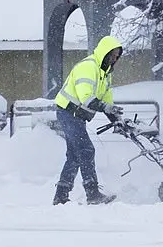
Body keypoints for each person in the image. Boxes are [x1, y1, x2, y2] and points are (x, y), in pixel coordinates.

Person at [52, 35, 125, 205]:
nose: (114, 59)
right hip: (68, 112)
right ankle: (92, 194)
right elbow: (86, 97)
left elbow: (107, 101)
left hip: (77, 115)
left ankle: (61, 195)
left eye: (117, 57)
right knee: (86, 150)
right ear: (105, 53)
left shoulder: (105, 74)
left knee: (74, 156)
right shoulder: (88, 67)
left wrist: (117, 119)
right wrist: (106, 108)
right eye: (112, 55)